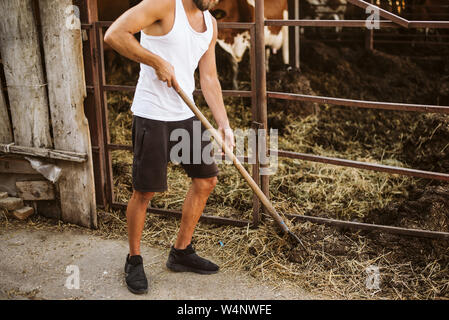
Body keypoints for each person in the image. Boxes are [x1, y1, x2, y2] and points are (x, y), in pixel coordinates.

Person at [104, 0, 235, 294]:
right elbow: (114, 35)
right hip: (152, 114)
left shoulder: (210, 24)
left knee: (206, 180)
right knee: (145, 191)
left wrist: (224, 125)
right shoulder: (163, 4)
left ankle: (181, 251)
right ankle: (134, 259)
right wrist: (156, 62)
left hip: (185, 114)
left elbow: (209, 77)